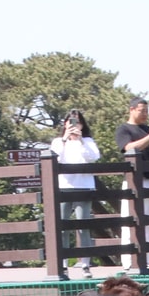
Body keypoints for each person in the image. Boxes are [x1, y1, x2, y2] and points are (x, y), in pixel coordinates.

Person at [114, 97, 149, 271]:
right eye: (141, 110)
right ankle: (129, 263)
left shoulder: (148, 129)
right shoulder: (124, 129)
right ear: (131, 109)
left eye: (147, 111)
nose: (145, 114)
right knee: (130, 223)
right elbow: (129, 148)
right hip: (134, 183)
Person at [50, 109, 101, 278]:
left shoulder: (87, 141)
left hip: (83, 187)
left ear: (82, 124)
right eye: (70, 121)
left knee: (83, 226)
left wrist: (79, 141)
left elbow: (93, 157)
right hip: (63, 187)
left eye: (77, 122)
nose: (74, 125)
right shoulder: (58, 141)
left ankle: (85, 264)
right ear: (65, 124)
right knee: (63, 227)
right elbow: (54, 158)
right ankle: (63, 264)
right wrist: (65, 139)